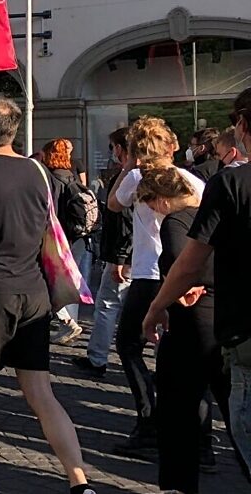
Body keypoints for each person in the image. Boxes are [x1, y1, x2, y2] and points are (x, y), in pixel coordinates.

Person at [0, 96, 94, 494]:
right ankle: (80, 481)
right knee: (41, 393)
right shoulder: (38, 171)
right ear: (14, 131)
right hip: (34, 292)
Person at [144, 88, 251, 483]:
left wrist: (157, 307)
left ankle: (181, 478)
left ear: (241, 126)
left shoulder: (230, 184)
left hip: (237, 326)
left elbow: (189, 262)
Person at [106, 115, 205, 459]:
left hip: (149, 276)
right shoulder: (192, 180)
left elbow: (114, 203)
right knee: (188, 356)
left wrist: (130, 165)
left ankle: (149, 422)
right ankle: (201, 444)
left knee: (129, 345)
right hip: (184, 273)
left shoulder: (136, 176)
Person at [134, 167, 228, 493]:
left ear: (160, 199)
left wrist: (159, 304)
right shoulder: (206, 211)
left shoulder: (176, 221)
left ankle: (177, 485)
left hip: (189, 326)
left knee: (176, 411)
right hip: (222, 319)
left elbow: (180, 261)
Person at [72, 128, 134, 378]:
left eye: (113, 147)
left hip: (125, 256)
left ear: (120, 148)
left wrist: (119, 258)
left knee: (108, 306)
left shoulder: (131, 175)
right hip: (133, 255)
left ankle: (98, 358)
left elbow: (123, 219)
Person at [43, 138, 91, 346]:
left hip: (58, 235)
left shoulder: (53, 178)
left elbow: (49, 210)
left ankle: (67, 321)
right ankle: (69, 320)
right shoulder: (71, 176)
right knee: (68, 277)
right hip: (74, 234)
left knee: (51, 279)